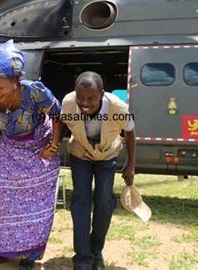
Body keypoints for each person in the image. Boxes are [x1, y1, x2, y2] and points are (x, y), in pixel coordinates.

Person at [0, 40, 62, 270]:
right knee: (3, 201)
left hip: (39, 149)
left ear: (16, 81)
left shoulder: (35, 92)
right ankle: (3, 246)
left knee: (37, 206)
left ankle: (30, 254)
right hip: (9, 149)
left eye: (1, 88)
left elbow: (59, 116)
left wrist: (53, 146)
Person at [60, 71, 136, 270]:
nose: (84, 103)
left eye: (91, 98)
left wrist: (131, 165)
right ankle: (83, 259)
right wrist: (53, 144)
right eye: (80, 98)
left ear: (102, 94)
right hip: (80, 154)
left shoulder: (118, 107)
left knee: (104, 202)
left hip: (106, 156)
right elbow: (60, 120)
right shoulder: (68, 103)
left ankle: (96, 250)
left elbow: (130, 132)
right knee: (80, 203)